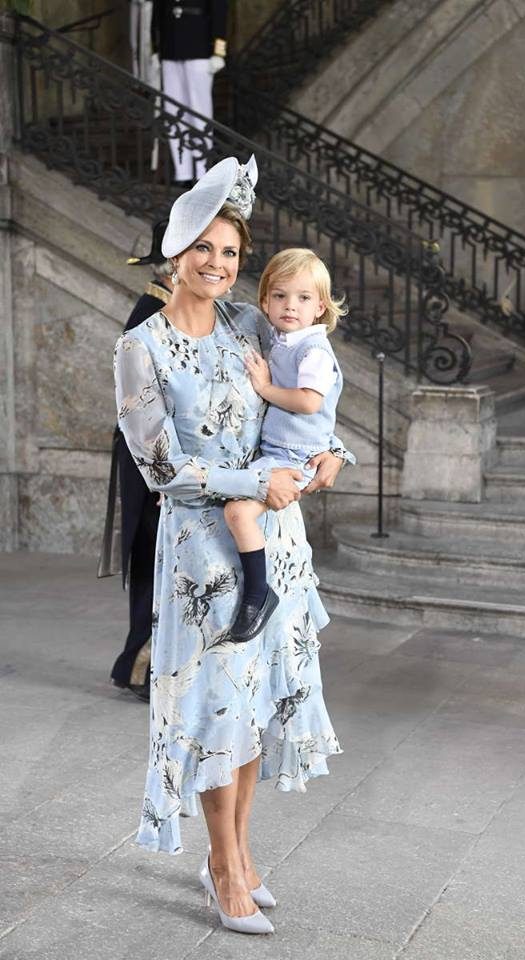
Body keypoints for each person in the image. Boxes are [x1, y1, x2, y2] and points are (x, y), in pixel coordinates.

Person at [113, 155, 350, 935]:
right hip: (203, 554)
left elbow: (305, 402)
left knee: (252, 707)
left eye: (231, 252)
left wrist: (333, 452)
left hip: (274, 538)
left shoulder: (250, 323)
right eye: (203, 249)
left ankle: (241, 854)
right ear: (174, 253)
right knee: (219, 707)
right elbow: (161, 468)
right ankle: (220, 866)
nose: (217, 264)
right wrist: (255, 483)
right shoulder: (141, 347)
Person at [224, 248, 346, 643]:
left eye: (303, 297)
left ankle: (258, 593)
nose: (290, 305)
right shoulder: (282, 339)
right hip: (278, 451)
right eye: (280, 296)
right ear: (265, 301)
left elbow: (310, 402)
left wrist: (264, 387)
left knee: (239, 513)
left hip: (292, 457)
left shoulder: (312, 350)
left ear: (320, 307)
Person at [104, 220, 172, 703]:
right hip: (149, 459)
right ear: (170, 265)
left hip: (157, 458)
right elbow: (140, 404)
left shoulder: (166, 308)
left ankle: (144, 668)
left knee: (160, 561)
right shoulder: (150, 314)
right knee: (153, 558)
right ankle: (140, 668)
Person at [151, 0, 228, 185]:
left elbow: (219, 13)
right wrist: (155, 49)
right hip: (170, 49)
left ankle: (203, 171)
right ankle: (182, 172)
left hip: (199, 48)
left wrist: (219, 52)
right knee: (173, 112)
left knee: (200, 112)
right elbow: (157, 15)